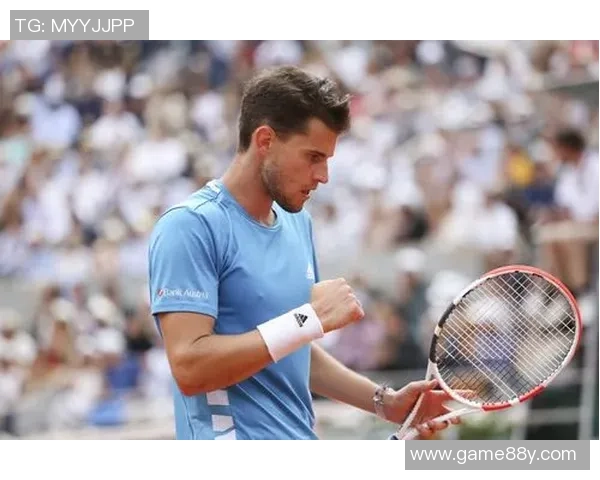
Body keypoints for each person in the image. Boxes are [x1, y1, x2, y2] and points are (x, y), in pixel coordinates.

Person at [147, 65, 459, 440]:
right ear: (265, 141)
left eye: (327, 159)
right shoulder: (190, 226)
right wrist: (307, 319)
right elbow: (190, 368)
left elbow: (292, 351)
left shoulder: (298, 223)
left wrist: (383, 402)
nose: (323, 175)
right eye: (313, 157)